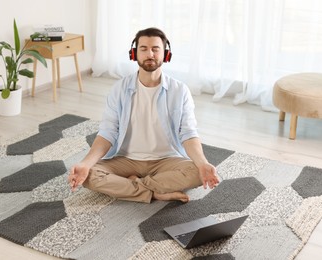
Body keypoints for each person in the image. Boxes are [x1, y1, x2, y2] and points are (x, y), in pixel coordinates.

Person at [68, 27, 219, 203]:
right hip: (126, 159)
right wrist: (85, 164)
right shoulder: (119, 89)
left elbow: (189, 133)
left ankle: (134, 187)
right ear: (134, 53)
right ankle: (155, 192)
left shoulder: (180, 91)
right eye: (144, 49)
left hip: (166, 159)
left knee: (198, 172)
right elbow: (107, 133)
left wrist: (202, 163)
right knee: (88, 175)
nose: (150, 54)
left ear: (165, 54)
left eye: (155, 49)